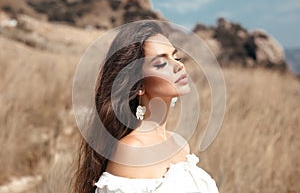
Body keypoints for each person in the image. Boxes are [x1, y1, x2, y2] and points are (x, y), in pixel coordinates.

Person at [73, 20, 219, 193]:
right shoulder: (131, 151)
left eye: (176, 57)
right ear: (139, 85)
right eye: (161, 63)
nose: (179, 65)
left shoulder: (179, 144)